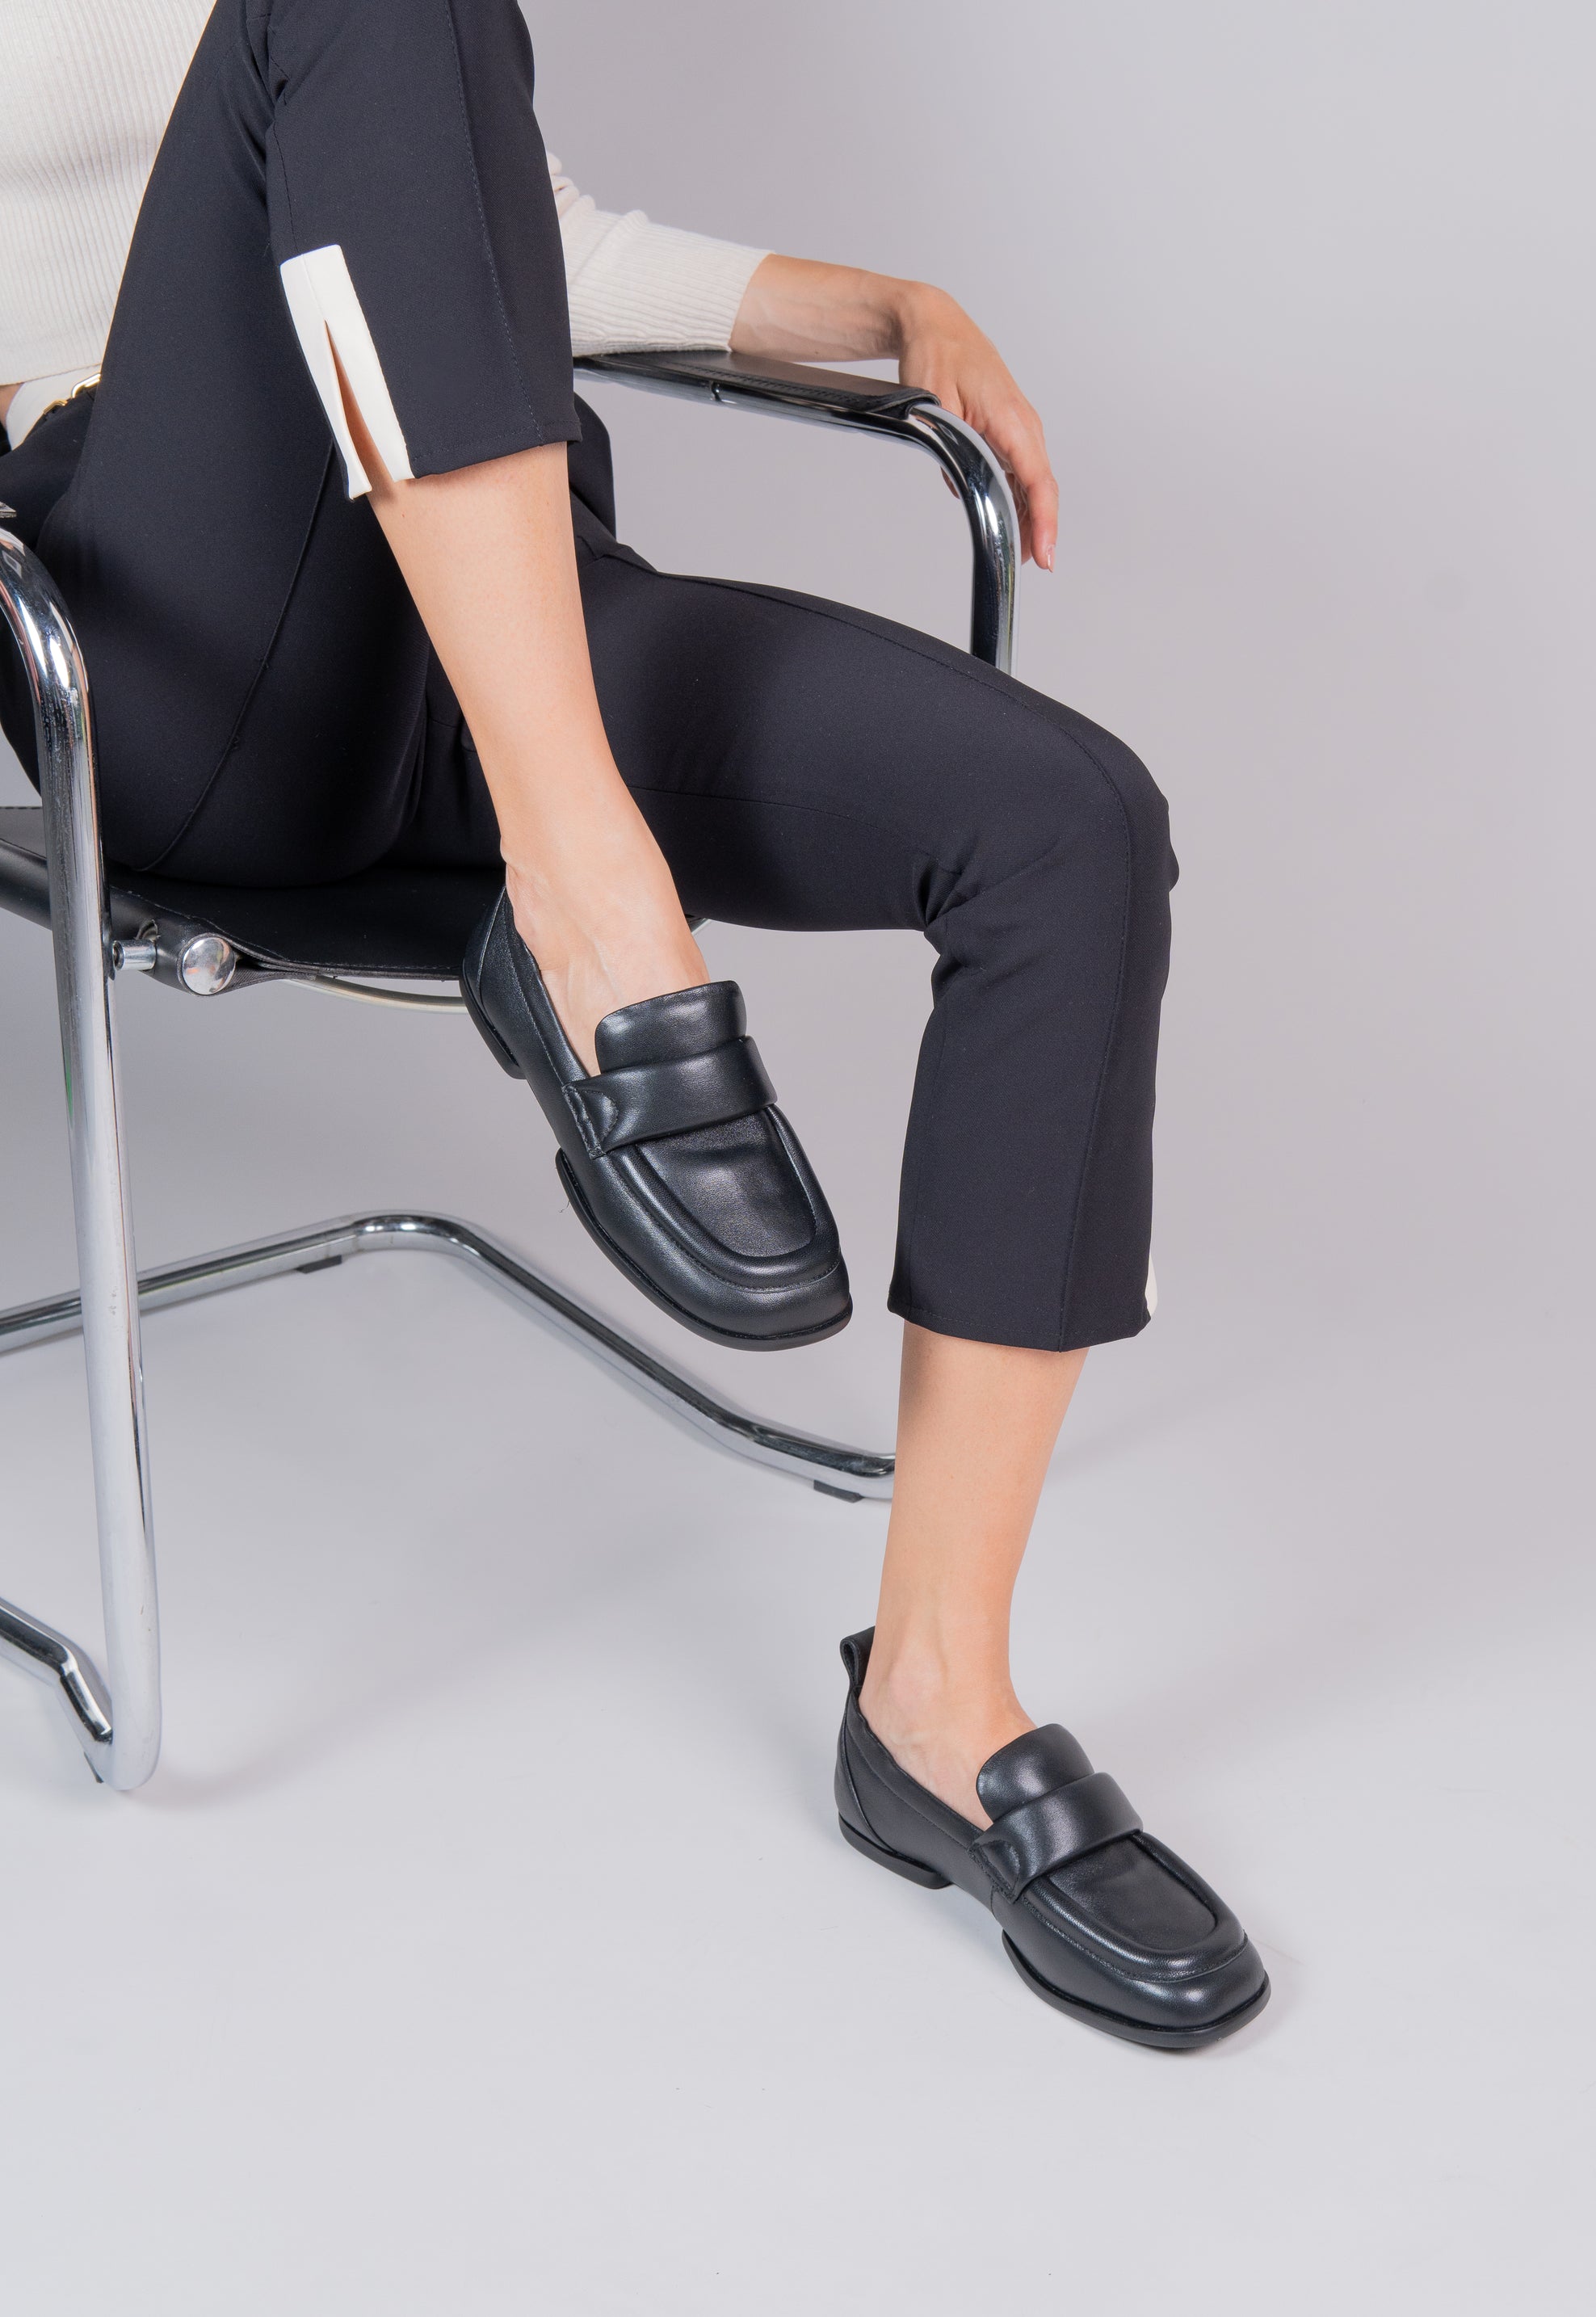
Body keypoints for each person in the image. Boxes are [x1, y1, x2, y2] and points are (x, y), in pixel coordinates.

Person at [0, 0, 1267, 2045]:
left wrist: (877, 304)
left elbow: (517, 248)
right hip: (178, 651)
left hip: (493, 620)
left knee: (1069, 827)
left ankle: (936, 1698)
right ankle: (588, 899)